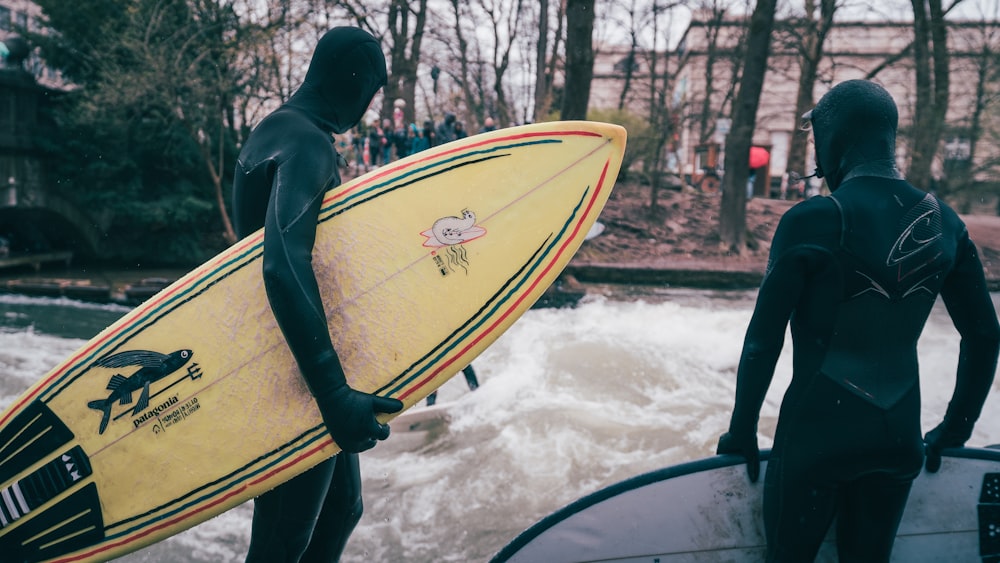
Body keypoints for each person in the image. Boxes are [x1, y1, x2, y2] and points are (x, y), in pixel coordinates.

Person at [716, 79, 1000, 562]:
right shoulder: (945, 222)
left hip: (816, 439)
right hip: (899, 441)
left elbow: (763, 342)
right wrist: (956, 428)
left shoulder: (812, 220)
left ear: (834, 139)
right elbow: (984, 335)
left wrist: (741, 431)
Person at [232, 27, 404, 562]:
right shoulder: (306, 143)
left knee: (341, 509)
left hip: (294, 354)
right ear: (355, 83)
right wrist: (331, 392)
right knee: (283, 541)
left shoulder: (278, 130)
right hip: (296, 373)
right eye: (372, 93)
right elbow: (282, 266)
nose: (370, 109)